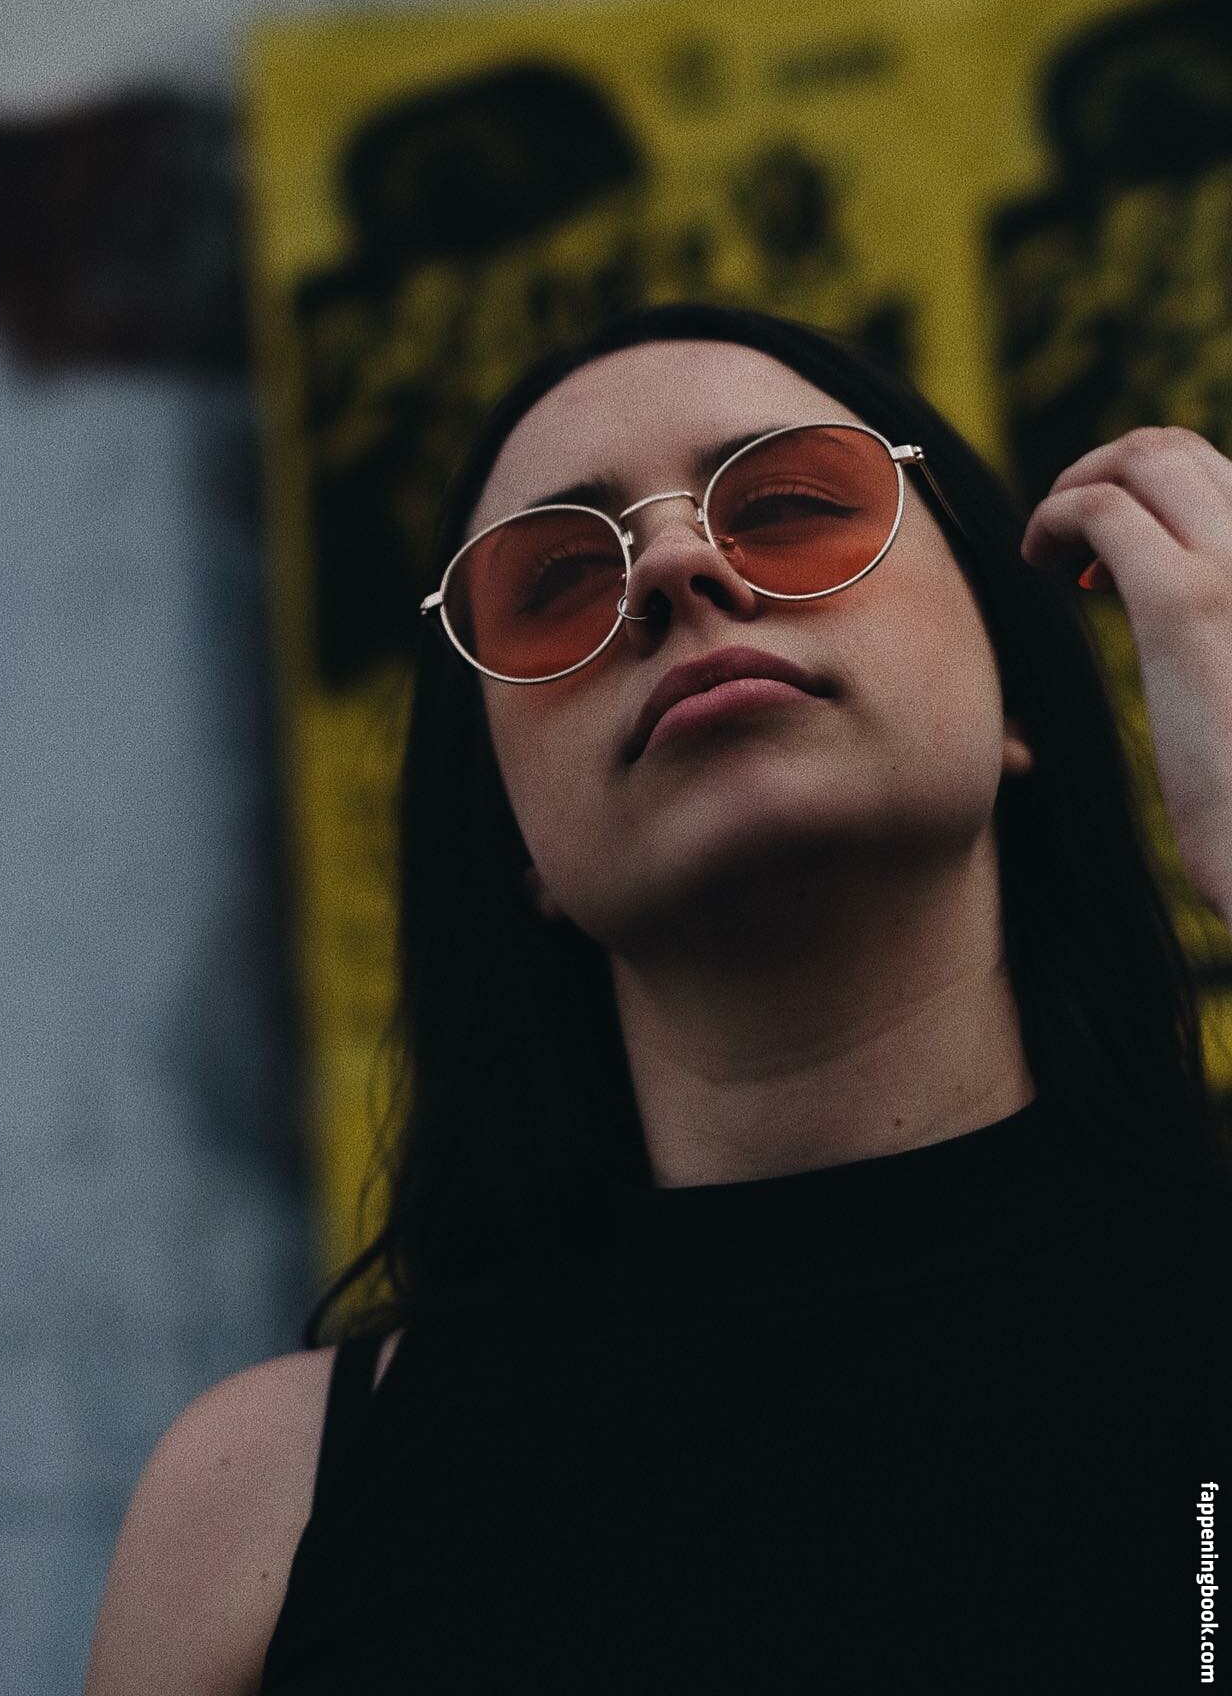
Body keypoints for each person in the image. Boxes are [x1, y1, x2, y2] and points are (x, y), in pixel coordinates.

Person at [85, 301, 1232, 1695]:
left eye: (792, 504)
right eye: (560, 578)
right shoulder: (256, 1512)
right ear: (518, 848)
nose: (678, 565)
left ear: (1013, 694)